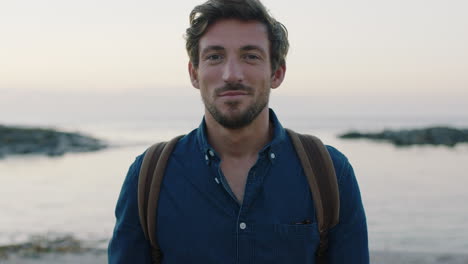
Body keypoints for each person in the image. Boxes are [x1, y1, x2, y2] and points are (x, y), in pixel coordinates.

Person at [108, 0, 369, 263]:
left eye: (250, 56)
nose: (231, 74)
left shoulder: (331, 173)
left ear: (277, 73)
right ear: (194, 73)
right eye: (215, 56)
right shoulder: (148, 176)